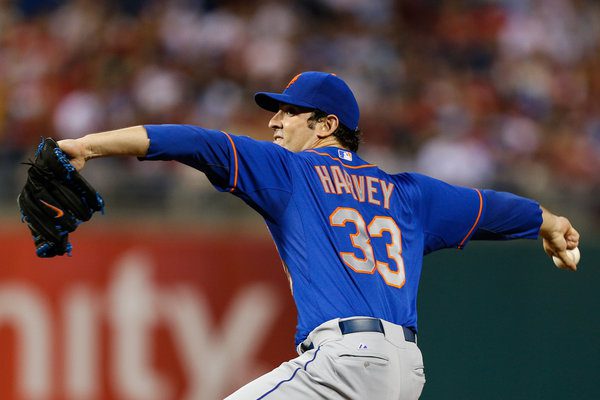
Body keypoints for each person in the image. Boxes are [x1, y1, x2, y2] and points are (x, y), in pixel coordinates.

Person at [57, 71, 580, 399]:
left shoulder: (292, 172)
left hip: (346, 363)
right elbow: (494, 208)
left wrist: (87, 146)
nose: (275, 123)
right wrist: (552, 224)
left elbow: (195, 142)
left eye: (288, 111)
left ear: (326, 125)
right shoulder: (410, 194)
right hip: (406, 375)